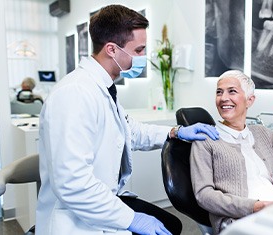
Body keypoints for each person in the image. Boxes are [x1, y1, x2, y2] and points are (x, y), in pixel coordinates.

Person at [35, 4, 219, 235]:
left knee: (172, 225)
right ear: (112, 49)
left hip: (102, 201)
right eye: (139, 50)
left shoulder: (102, 87)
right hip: (76, 218)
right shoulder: (74, 94)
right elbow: (72, 184)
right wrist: (131, 219)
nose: (143, 57)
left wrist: (175, 132)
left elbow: (127, 130)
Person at [190, 70, 273, 234]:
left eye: (232, 91)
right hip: (238, 219)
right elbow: (204, 195)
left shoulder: (263, 133)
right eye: (219, 92)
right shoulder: (205, 140)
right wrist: (256, 206)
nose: (223, 98)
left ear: (250, 100)